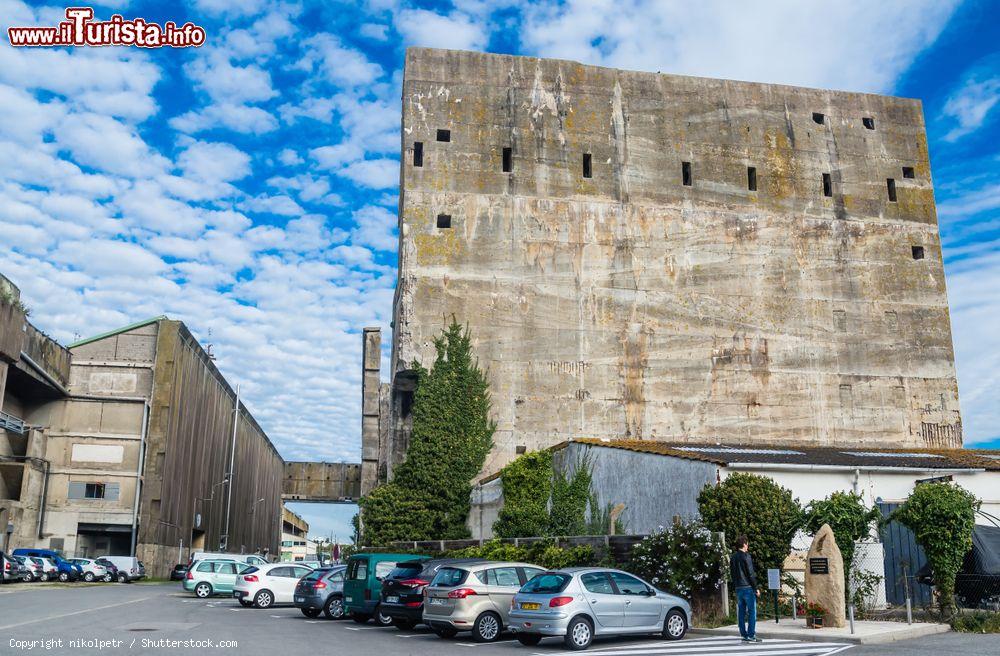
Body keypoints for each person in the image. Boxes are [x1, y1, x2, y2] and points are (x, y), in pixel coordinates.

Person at [730, 534, 762, 643]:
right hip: (748, 587)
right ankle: (751, 635)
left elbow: (732, 574)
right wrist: (756, 588)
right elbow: (750, 574)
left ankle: (743, 634)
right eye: (747, 544)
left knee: (741, 613)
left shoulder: (733, 557)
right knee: (752, 612)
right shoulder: (746, 556)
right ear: (744, 544)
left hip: (738, 588)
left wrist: (735, 585)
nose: (748, 546)